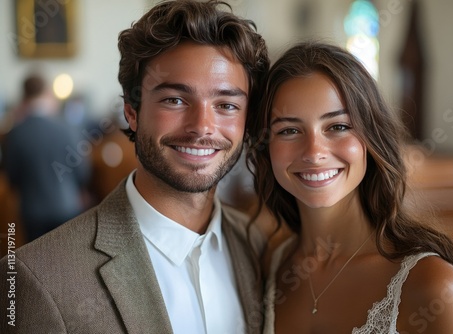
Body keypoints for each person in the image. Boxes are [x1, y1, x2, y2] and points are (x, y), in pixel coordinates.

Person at [0, 1, 269, 333]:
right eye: (175, 100)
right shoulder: (37, 278)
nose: (202, 127)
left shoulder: (261, 247)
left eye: (226, 105)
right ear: (131, 110)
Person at [246, 42, 453, 333]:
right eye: (288, 130)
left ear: (370, 137)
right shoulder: (271, 268)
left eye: (337, 126)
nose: (314, 152)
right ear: (266, 148)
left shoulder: (431, 284)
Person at [3, 73, 91, 242]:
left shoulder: (16, 133)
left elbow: (11, 175)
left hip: (32, 211)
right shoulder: (66, 128)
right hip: (67, 208)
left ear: (24, 96)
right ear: (47, 93)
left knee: (35, 264)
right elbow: (82, 171)